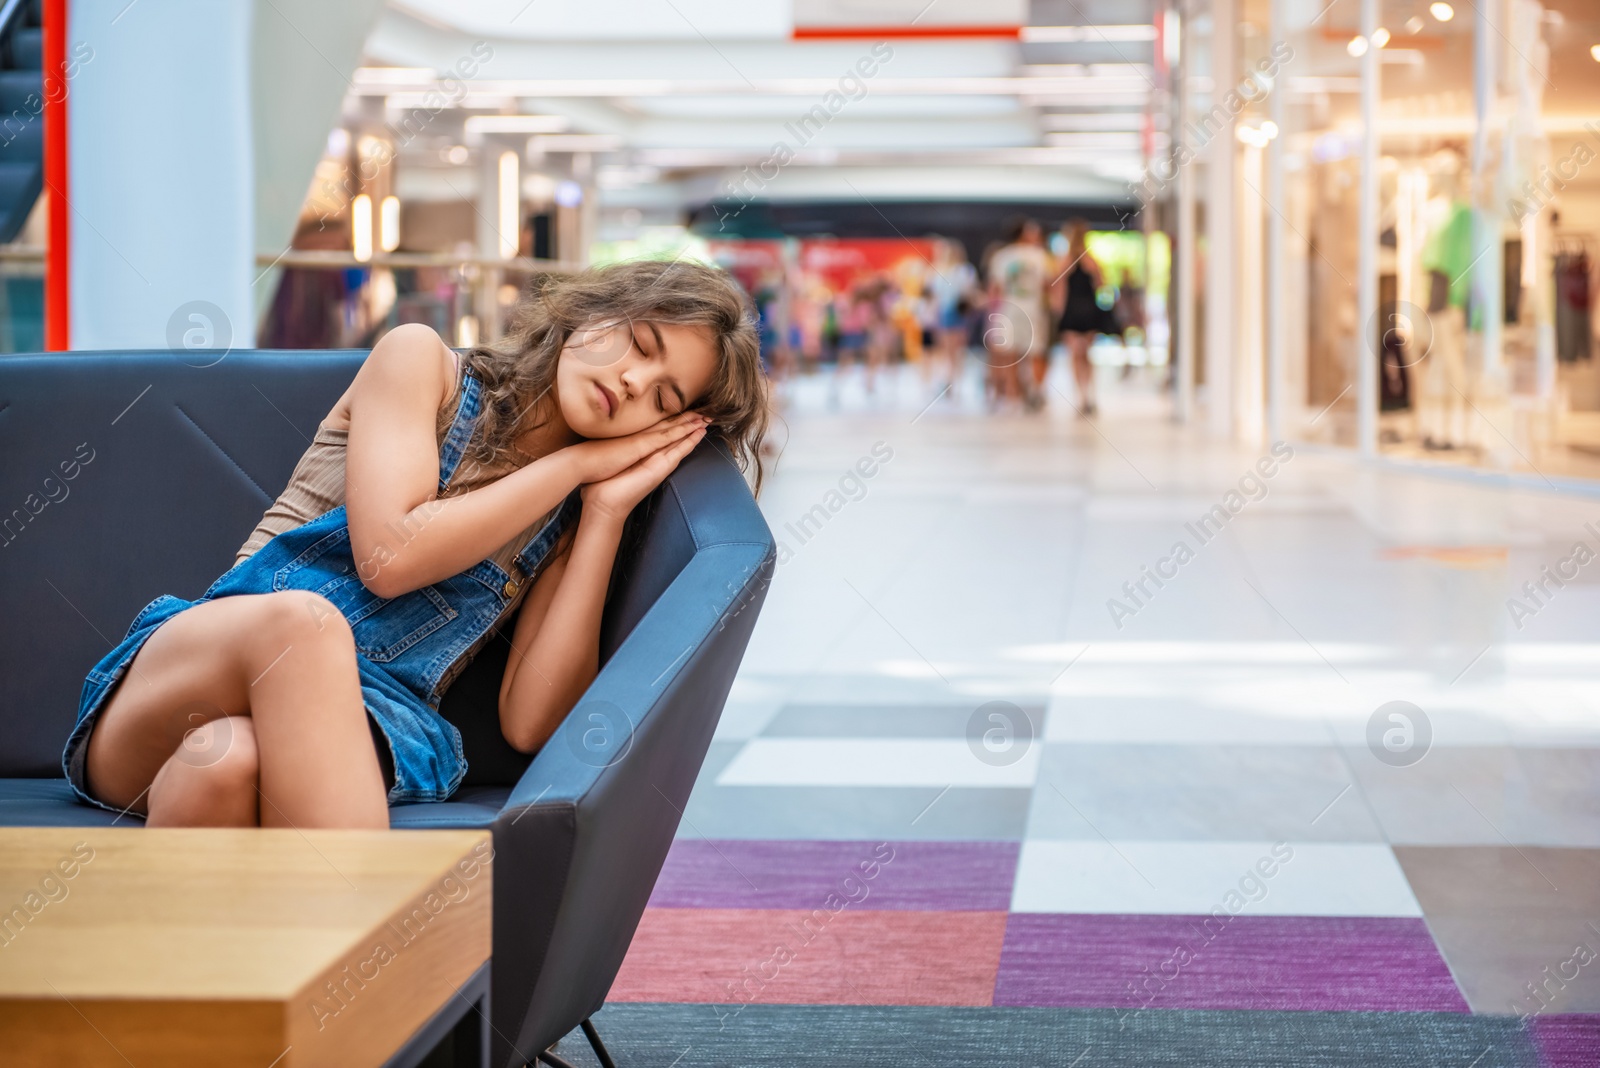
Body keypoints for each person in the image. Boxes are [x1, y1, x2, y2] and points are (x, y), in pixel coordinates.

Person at [63, 260, 769, 829]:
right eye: (641, 346)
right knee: (304, 627)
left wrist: (604, 514)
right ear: (592, 312)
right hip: (200, 670)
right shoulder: (421, 364)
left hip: (363, 721)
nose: (633, 382)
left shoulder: (563, 521)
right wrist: (577, 465)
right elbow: (389, 557)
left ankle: (215, 1004)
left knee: (222, 765)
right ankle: (386, 987)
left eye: (664, 400)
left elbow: (531, 724)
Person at [985, 218, 1051, 410]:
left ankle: (1013, 395)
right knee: (1036, 351)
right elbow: (1048, 285)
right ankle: (1035, 390)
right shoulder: (1040, 256)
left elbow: (995, 289)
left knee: (1010, 353)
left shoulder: (1001, 257)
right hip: (1033, 309)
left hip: (1009, 309)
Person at [1056, 219, 1105, 416]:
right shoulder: (1079, 260)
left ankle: (1085, 395)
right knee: (1083, 354)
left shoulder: (1080, 260)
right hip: (1083, 310)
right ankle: (1085, 395)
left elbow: (1058, 286)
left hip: (1078, 311)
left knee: (1079, 355)